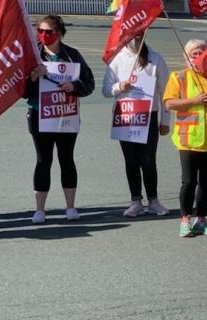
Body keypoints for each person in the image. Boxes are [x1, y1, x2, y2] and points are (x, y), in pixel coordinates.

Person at [24, 14, 95, 224]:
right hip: (39, 115)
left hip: (66, 115)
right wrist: (33, 76)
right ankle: (40, 210)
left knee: (67, 159)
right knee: (43, 160)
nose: (44, 36)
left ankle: (70, 207)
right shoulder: (32, 55)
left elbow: (89, 83)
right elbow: (21, 91)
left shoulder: (72, 55)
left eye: (49, 32)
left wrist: (75, 87)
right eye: (41, 31)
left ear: (59, 33)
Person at [163, 39, 207, 238]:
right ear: (186, 57)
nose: (199, 56)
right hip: (189, 140)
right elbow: (170, 103)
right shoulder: (179, 77)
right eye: (194, 53)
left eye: (202, 52)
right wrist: (194, 101)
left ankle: (201, 219)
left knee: (206, 183)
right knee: (188, 181)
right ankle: (185, 219)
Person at [102, 32, 172, 217]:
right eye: (132, 36)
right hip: (125, 116)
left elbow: (165, 92)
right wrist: (119, 87)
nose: (136, 40)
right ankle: (135, 201)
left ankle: (153, 201)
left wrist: (165, 120)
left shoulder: (155, 59)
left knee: (148, 161)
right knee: (131, 161)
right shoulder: (117, 59)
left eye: (139, 36)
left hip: (148, 116)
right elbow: (106, 89)